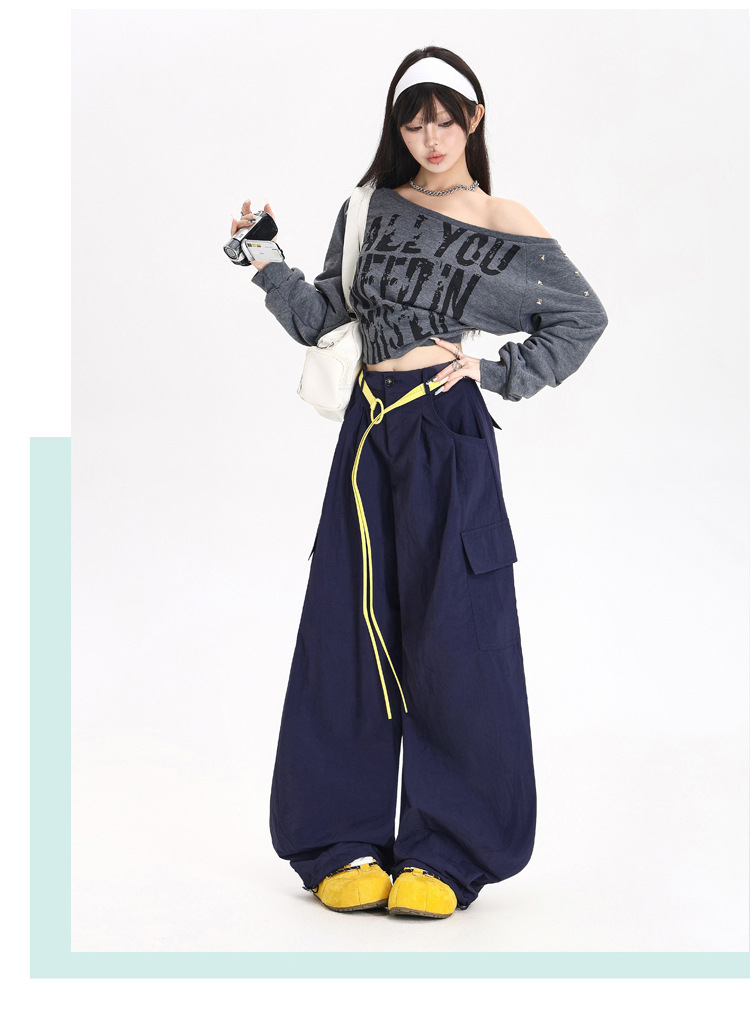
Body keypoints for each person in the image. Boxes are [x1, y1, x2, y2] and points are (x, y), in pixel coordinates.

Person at [230, 46, 608, 918]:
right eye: (413, 122)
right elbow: (325, 315)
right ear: (396, 129)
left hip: (447, 433)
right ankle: (342, 840)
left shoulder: (505, 222)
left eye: (444, 119)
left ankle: (449, 850)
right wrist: (263, 259)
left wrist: (495, 371)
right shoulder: (368, 207)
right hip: (368, 431)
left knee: (457, 634)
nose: (430, 137)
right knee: (346, 625)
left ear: (474, 119)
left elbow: (582, 318)